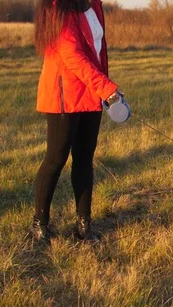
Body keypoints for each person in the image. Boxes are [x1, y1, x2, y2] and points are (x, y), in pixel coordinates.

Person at [31, 0, 122, 243]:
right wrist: (107, 88)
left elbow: (98, 51)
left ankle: (84, 225)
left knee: (84, 159)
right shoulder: (58, 7)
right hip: (65, 96)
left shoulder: (92, 5)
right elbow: (72, 56)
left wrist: (103, 90)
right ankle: (39, 225)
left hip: (92, 94)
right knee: (55, 159)